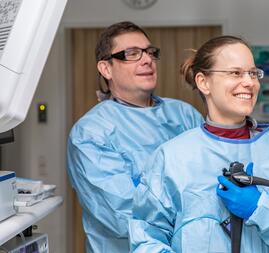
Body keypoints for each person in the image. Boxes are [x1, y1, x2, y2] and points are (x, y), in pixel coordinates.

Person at [129, 35, 269, 252]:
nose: (249, 82)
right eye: (235, 73)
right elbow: (148, 241)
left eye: (253, 73)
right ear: (203, 82)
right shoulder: (172, 158)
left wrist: (262, 209)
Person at [66, 21, 204, 253]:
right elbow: (123, 217)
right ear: (106, 69)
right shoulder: (91, 132)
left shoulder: (184, 114)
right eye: (132, 54)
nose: (147, 59)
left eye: (150, 52)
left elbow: (212, 180)